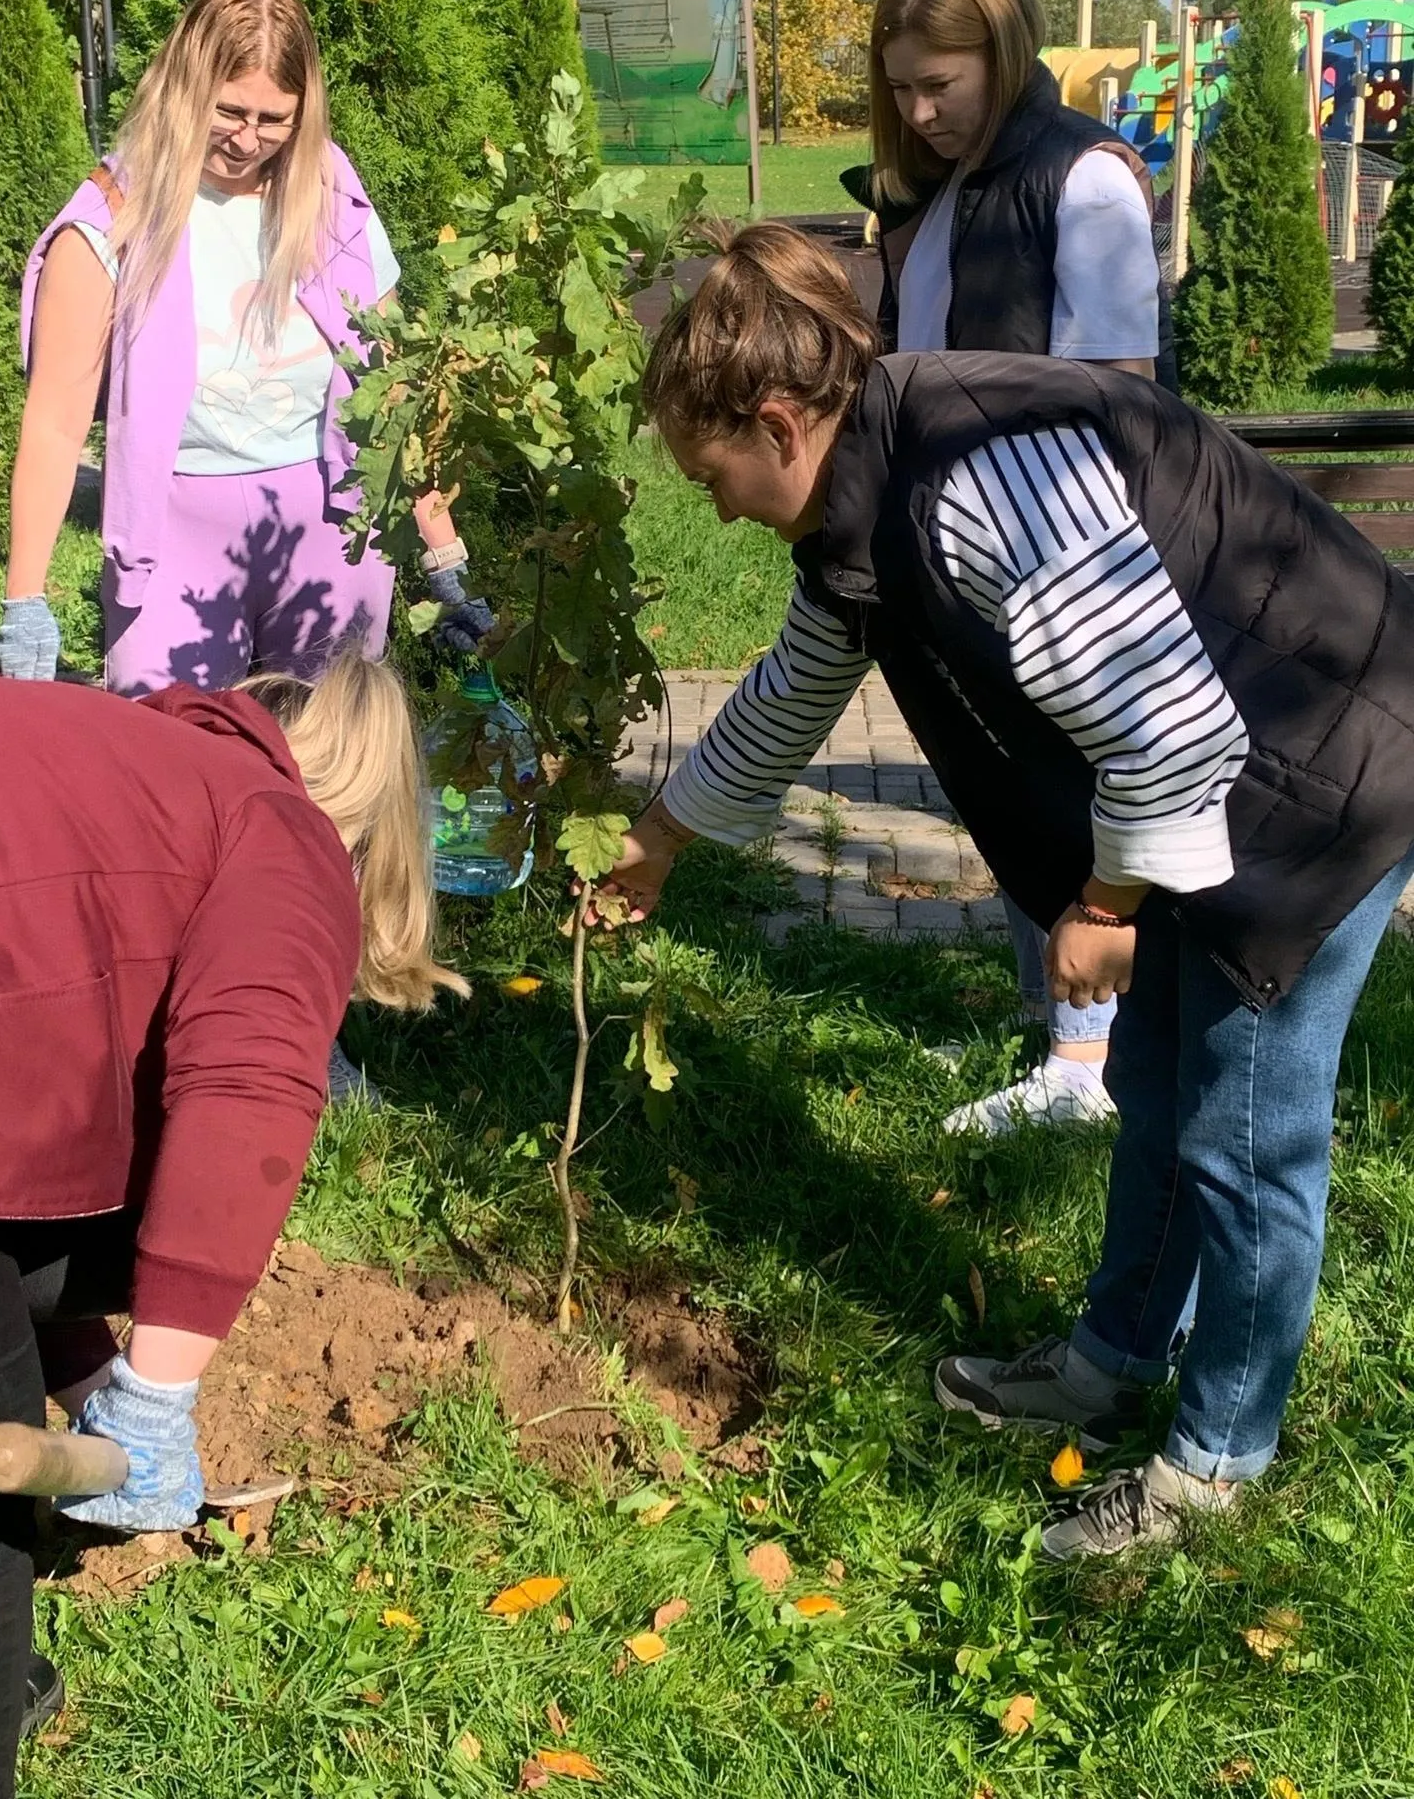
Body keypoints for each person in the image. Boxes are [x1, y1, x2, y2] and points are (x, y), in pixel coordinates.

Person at [605, 221, 1414, 1561]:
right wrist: (663, 838)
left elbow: (1168, 726)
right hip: (1233, 776)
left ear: (776, 420)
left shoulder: (977, 479)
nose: (718, 506)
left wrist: (1103, 905)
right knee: (1159, 1090)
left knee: (1248, 1133)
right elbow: (793, 690)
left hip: (1322, 762)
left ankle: (1218, 1466)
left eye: (712, 476)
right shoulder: (864, 490)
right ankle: (1110, 1361)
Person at [0, 651, 465, 1796]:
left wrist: (83, 1362)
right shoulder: (282, 832)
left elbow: (14, 1133)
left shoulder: (124, 774)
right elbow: (248, 1091)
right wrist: (158, 1398)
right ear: (366, 836)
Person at [1, 0, 487, 1093]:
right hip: (177, 529)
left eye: (275, 120)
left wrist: (442, 549)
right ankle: (153, 1033)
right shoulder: (109, 220)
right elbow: (54, 419)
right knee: (165, 781)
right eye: (231, 113)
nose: (250, 141)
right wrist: (25, 604)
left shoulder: (328, 197)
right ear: (184, 86)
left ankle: (304, 1027)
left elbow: (397, 387)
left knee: (334, 789)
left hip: (328, 523)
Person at [832, 0, 1173, 1136]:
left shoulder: (1082, 182)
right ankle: (1079, 1043)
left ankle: (1089, 1067)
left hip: (1060, 553)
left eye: (944, 84)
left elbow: (1122, 395)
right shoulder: (949, 186)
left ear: (1006, 52)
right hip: (968, 551)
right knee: (1028, 793)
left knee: (1072, 792)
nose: (920, 112)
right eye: (903, 88)